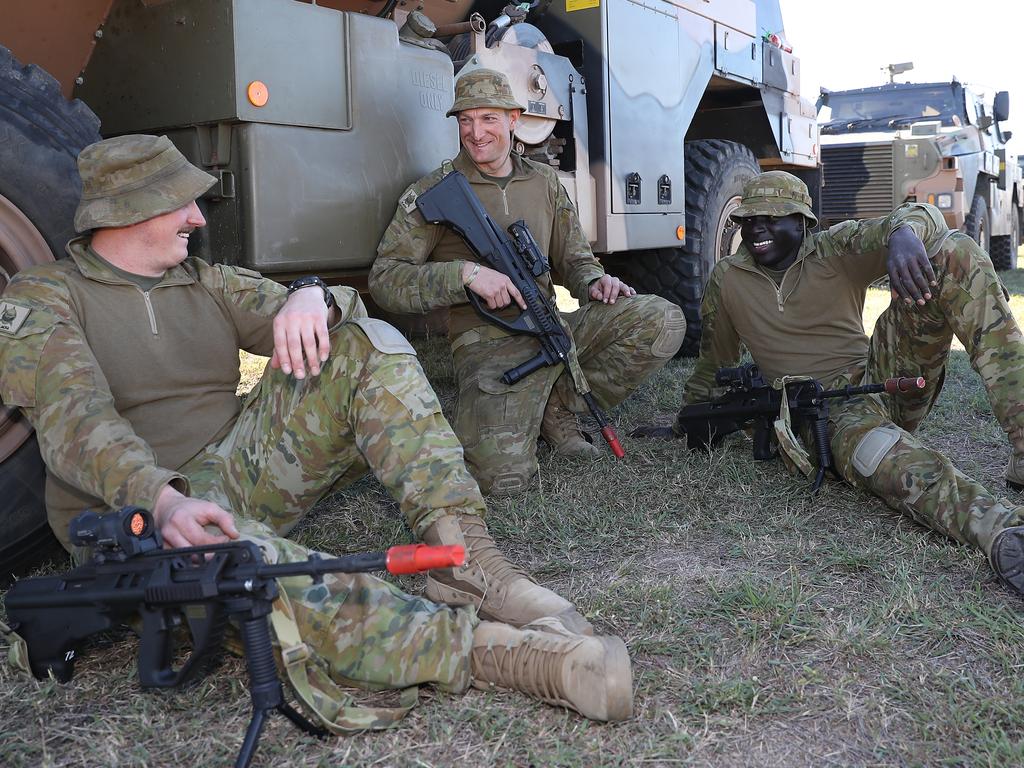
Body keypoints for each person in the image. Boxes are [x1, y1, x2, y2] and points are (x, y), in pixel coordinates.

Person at [0, 134, 633, 725]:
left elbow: (339, 312)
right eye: (184, 205)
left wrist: (311, 295)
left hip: (232, 473)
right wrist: (162, 502)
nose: (198, 218)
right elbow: (74, 423)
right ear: (134, 210)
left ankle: (462, 558)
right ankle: (495, 653)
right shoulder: (43, 298)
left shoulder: (205, 280)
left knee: (364, 343)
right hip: (135, 517)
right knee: (263, 568)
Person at [637, 170, 1024, 596]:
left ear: (802, 222)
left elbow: (923, 215)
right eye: (749, 219)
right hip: (829, 411)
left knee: (956, 253)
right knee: (887, 461)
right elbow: (714, 362)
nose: (757, 228)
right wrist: (684, 421)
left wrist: (904, 233)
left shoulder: (836, 248)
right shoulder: (728, 279)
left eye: (773, 217)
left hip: (885, 379)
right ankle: (1000, 532)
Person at [369, 68, 686, 495]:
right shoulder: (435, 193)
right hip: (486, 343)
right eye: (466, 120)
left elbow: (575, 257)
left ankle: (556, 406)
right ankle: (528, 409)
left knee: (663, 322)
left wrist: (594, 282)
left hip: (547, 326)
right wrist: (465, 275)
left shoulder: (544, 182)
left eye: (488, 119)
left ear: (514, 119)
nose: (476, 133)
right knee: (503, 478)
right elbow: (386, 279)